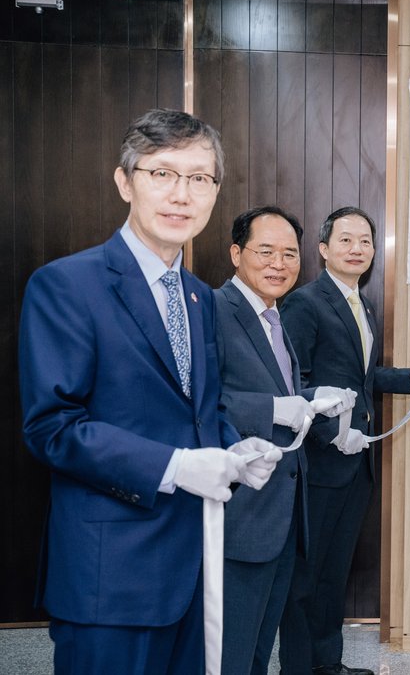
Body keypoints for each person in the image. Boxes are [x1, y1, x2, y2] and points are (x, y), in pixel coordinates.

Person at [19, 108, 281, 674]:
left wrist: (235, 448)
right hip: (109, 574)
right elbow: (52, 428)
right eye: (162, 173)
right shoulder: (67, 284)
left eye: (199, 178)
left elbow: (202, 410)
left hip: (195, 564)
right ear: (124, 181)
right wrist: (177, 466)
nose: (181, 194)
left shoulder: (199, 297)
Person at [278, 206, 410, 675]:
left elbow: (362, 375)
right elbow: (293, 381)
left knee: (334, 574)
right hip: (317, 463)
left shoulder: (363, 304)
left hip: (358, 463)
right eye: (347, 240)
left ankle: (327, 666)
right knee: (305, 578)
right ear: (323, 249)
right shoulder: (304, 303)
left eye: (366, 242)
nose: (357, 249)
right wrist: (334, 432)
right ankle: (298, 668)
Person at [214, 206, 355, 675]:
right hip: (241, 510)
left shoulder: (273, 315)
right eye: (265, 252)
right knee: (230, 650)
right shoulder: (217, 310)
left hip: (283, 512)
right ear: (237, 253)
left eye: (289, 254)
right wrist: (273, 410)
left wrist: (312, 398)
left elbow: (280, 389)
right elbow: (197, 401)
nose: (279, 264)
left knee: (257, 648)